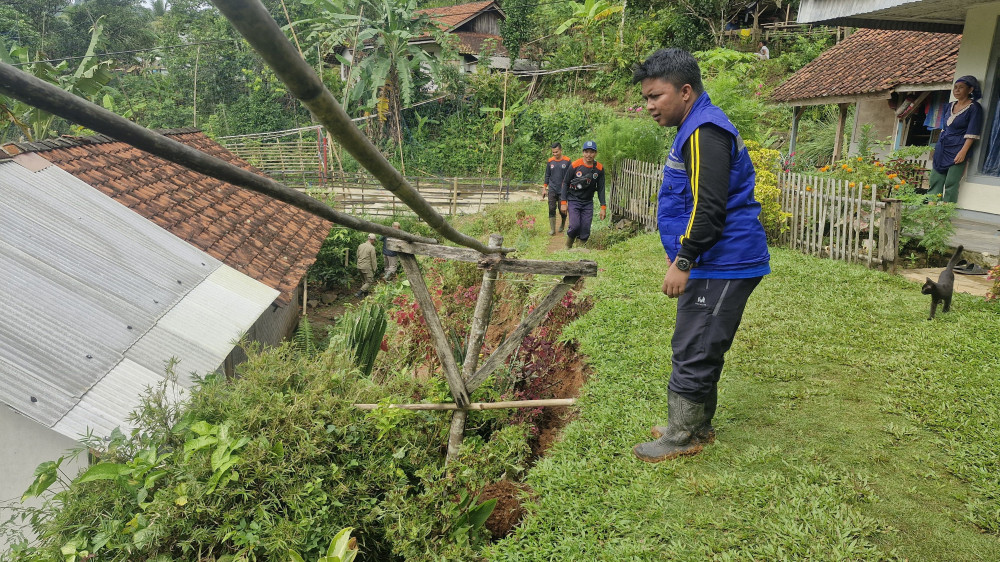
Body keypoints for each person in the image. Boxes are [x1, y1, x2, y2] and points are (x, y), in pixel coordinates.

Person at [630, 48, 771, 463]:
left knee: (693, 344)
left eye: (656, 96)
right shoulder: (696, 125)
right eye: (646, 98)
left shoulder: (704, 132)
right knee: (703, 341)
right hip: (719, 258)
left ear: (685, 91)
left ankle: (680, 436)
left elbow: (709, 209)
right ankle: (696, 424)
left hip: (723, 260)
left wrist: (684, 260)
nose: (649, 106)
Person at [927, 76, 983, 204]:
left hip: (958, 148)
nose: (956, 90)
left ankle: (944, 216)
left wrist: (963, 152)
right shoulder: (949, 106)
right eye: (955, 87)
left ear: (970, 90)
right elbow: (944, 128)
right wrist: (938, 147)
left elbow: (972, 132)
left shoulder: (974, 108)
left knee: (951, 182)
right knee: (935, 179)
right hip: (943, 146)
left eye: (961, 87)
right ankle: (929, 213)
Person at [559, 140, 606, 249]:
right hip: (574, 200)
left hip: (588, 202)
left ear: (596, 153)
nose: (589, 155)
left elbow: (601, 188)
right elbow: (565, 183)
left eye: (592, 152)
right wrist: (563, 202)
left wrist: (603, 206)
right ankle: (568, 246)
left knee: (585, 228)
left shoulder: (599, 168)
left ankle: (579, 250)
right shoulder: (575, 165)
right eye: (586, 152)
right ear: (583, 153)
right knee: (575, 226)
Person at [543, 142, 572, 235]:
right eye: (553, 152)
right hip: (552, 188)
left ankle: (563, 223)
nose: (555, 154)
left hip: (563, 190)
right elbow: (547, 175)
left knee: (561, 209)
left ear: (561, 150)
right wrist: (544, 188)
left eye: (556, 152)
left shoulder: (567, 161)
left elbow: (571, 176)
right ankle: (552, 229)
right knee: (551, 208)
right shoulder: (550, 161)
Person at [354, 233, 378, 298]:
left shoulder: (360, 245)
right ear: (372, 240)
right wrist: (375, 268)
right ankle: (359, 293)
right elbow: (373, 259)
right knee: (369, 281)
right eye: (374, 240)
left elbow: (357, 255)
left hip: (359, 265)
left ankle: (365, 295)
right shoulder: (372, 248)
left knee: (364, 281)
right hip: (366, 266)